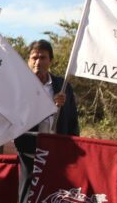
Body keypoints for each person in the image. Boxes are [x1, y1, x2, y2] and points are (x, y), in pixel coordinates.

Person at [13, 39, 80, 174]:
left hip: (57, 149)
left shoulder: (63, 85)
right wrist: (50, 105)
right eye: (34, 58)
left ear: (51, 60)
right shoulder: (20, 85)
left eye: (42, 57)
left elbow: (72, 119)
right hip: (28, 149)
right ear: (28, 61)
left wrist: (73, 146)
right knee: (28, 190)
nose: (38, 62)